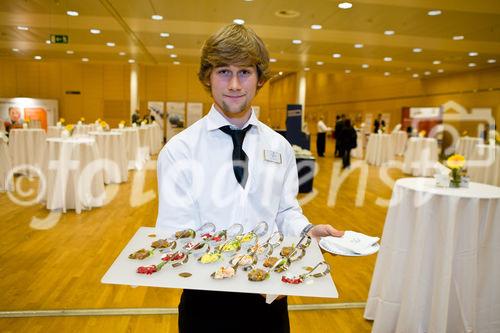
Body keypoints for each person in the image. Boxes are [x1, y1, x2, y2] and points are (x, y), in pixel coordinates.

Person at [155, 23, 344, 333]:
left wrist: (306, 233)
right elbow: (177, 232)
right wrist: (234, 265)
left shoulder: (279, 146)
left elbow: (285, 210)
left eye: (244, 72)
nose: (234, 84)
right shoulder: (180, 150)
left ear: (259, 79)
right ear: (207, 76)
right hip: (207, 299)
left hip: (268, 297)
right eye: (223, 71)